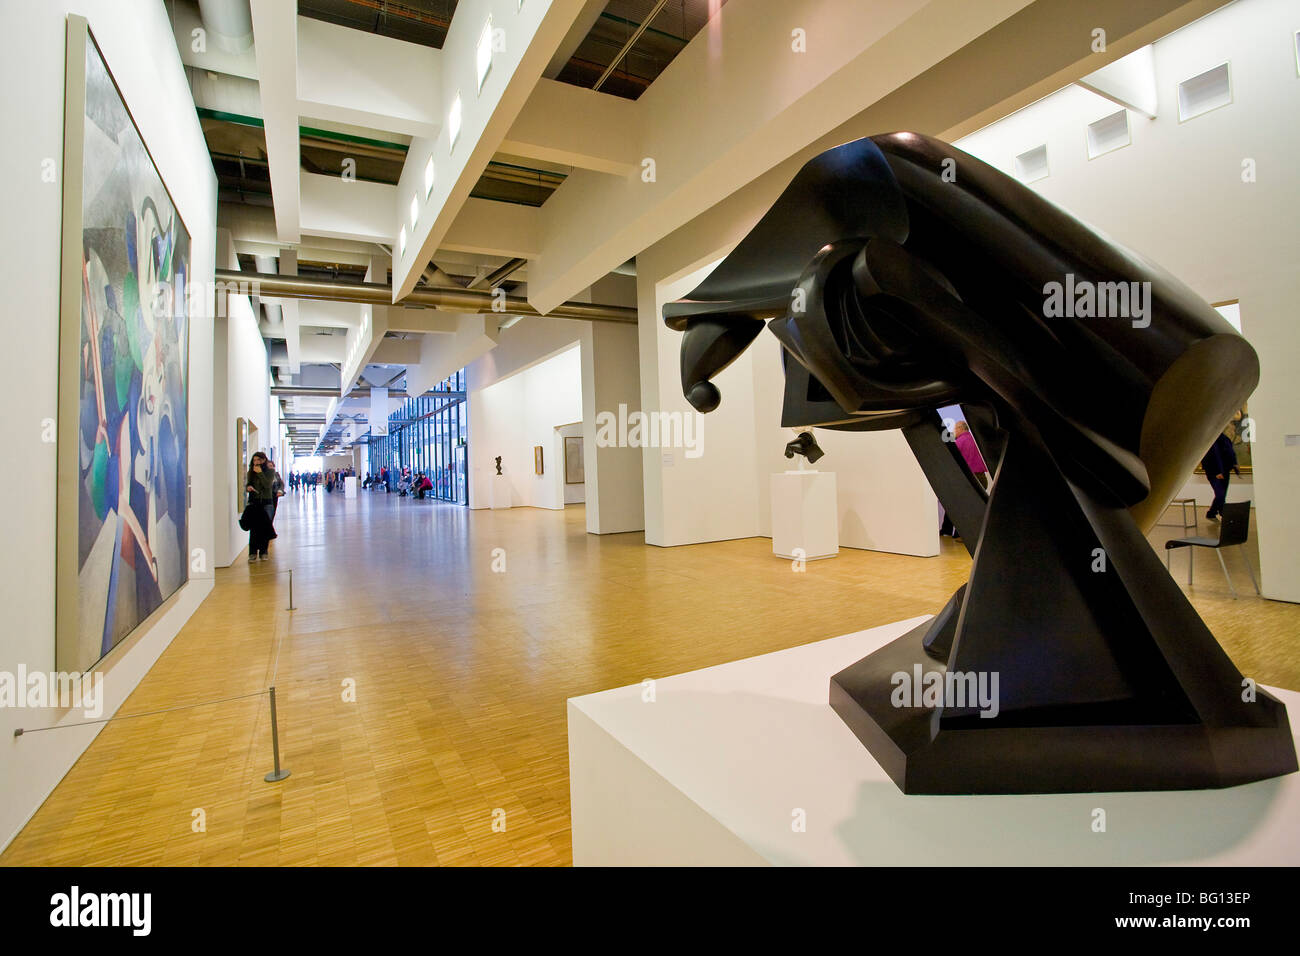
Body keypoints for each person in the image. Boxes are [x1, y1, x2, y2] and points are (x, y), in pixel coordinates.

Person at [244, 452, 279, 563]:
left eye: (259, 460)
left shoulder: (270, 471)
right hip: (254, 502)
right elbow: (248, 484)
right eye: (254, 460)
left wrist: (260, 473)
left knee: (264, 528)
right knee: (254, 529)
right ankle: (252, 553)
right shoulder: (251, 472)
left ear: (264, 460)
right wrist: (248, 487)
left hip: (266, 503)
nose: (256, 462)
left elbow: (267, 485)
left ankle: (264, 552)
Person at [1201, 431, 1239, 521]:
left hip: (1225, 470)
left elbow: (1230, 452)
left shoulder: (1224, 438)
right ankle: (1219, 513)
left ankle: (1213, 513)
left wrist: (1234, 463)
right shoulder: (1209, 440)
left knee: (1222, 495)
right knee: (1220, 494)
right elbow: (1207, 457)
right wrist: (1216, 471)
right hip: (1214, 473)